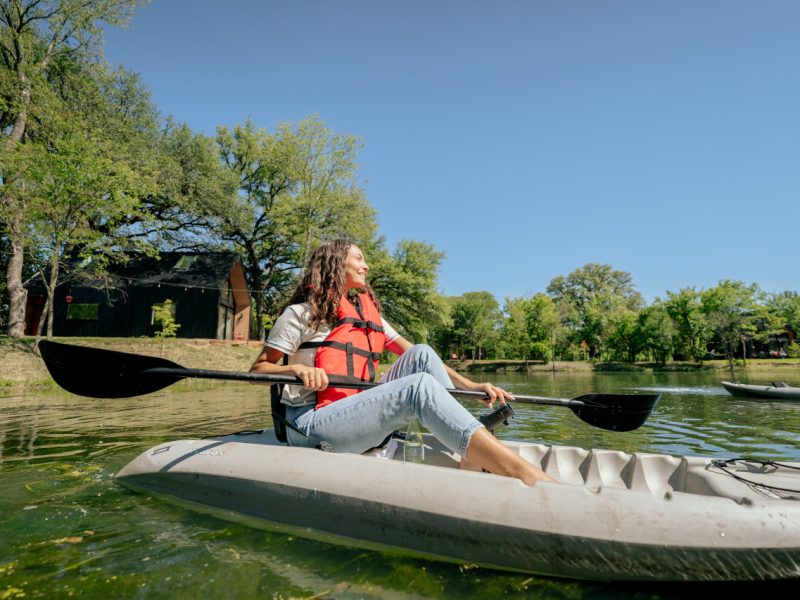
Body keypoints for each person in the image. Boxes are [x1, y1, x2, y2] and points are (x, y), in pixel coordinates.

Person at [250, 239, 553, 485]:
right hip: (309, 425)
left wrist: (470, 384)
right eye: (358, 258)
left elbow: (422, 356)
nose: (365, 265)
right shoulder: (300, 315)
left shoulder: (369, 318)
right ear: (335, 262)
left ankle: (470, 449)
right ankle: (522, 474)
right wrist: (295, 368)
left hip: (354, 414)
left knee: (420, 352)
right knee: (417, 388)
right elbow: (258, 371)